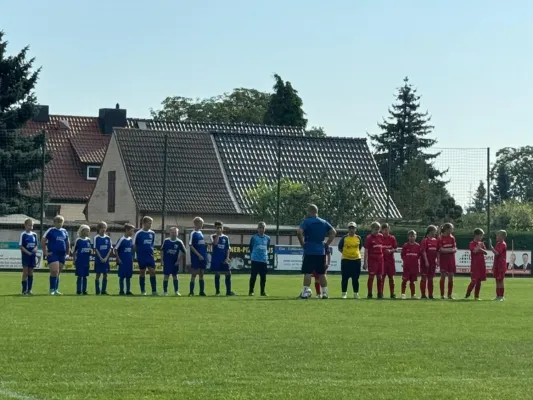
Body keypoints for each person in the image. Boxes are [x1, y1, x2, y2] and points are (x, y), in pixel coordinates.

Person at [297, 204, 336, 299]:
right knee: (322, 273)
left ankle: (305, 292)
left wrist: (302, 244)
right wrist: (327, 243)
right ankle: (325, 293)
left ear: (310, 211)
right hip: (320, 251)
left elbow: (299, 232)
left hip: (309, 250)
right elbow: (333, 232)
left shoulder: (307, 222)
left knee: (307, 272)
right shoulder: (324, 222)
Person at [42, 215, 70, 296]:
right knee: (54, 271)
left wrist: (68, 253)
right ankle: (51, 290)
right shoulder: (50, 230)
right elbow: (43, 240)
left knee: (58, 273)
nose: (59, 224)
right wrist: (45, 252)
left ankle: (56, 289)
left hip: (62, 255)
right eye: (57, 222)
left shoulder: (64, 231)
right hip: (53, 254)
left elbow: (67, 242)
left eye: (61, 222)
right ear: (54, 223)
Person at [338, 221, 362, 299]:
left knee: (356, 278)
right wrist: (347, 254)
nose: (351, 230)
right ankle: (344, 294)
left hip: (356, 260)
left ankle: (356, 294)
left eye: (353, 228)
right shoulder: (344, 238)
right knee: (345, 278)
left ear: (355, 229)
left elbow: (360, 247)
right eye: (350, 228)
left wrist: (354, 254)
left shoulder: (358, 238)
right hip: (346, 260)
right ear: (348, 229)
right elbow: (340, 248)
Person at [134, 216, 157, 296]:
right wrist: (136, 255)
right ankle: (143, 291)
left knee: (153, 272)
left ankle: (154, 291)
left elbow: (152, 244)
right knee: (142, 272)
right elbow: (134, 245)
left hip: (150, 256)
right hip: (141, 256)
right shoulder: (139, 233)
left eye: (151, 223)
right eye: (149, 223)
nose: (150, 225)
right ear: (144, 223)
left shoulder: (152, 233)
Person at [211, 221, 235, 296]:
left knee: (228, 273)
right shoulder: (212, 236)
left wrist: (227, 258)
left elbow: (228, 248)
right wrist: (217, 235)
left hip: (224, 259)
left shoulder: (226, 237)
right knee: (217, 274)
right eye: (217, 228)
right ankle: (217, 292)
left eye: (220, 227)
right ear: (215, 228)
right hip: (216, 259)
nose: (219, 229)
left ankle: (228, 291)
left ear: (222, 228)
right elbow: (215, 244)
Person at [162, 227, 186, 296]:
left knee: (175, 276)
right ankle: (165, 292)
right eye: (172, 232)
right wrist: (162, 261)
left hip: (175, 263)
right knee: (166, 276)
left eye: (175, 232)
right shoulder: (166, 241)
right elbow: (162, 251)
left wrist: (178, 261)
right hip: (167, 262)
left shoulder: (179, 242)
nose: (174, 233)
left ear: (177, 233)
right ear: (169, 233)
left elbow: (184, 252)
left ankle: (176, 291)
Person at [248, 222, 270, 296]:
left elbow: (267, 247)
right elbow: (251, 247)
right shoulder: (254, 237)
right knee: (253, 276)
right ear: (257, 229)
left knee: (263, 277)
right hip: (255, 260)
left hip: (263, 260)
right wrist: (253, 255)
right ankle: (251, 291)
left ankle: (262, 292)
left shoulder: (268, 238)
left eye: (263, 228)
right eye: (260, 228)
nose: (261, 229)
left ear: (265, 229)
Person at [465, 228, 487, 300]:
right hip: (475, 264)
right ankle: (467, 295)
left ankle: (476, 296)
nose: (481, 237)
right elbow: (474, 251)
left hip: (481, 264)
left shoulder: (481, 243)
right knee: (474, 280)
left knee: (479, 281)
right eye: (481, 235)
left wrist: (480, 248)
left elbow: (485, 252)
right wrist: (479, 248)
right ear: (476, 235)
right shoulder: (471, 243)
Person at [363, 221, 384, 299]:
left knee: (380, 277)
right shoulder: (369, 238)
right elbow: (366, 251)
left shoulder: (381, 236)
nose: (377, 231)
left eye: (378, 229)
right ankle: (370, 293)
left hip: (380, 259)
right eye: (375, 229)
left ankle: (380, 293)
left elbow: (382, 248)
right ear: (371, 229)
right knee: (371, 276)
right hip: (372, 259)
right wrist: (365, 262)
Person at [189, 217, 207, 296]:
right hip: (196, 256)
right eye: (201, 223)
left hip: (203, 256)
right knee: (194, 273)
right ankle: (191, 292)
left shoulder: (201, 233)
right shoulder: (193, 233)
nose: (202, 225)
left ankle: (201, 291)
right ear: (196, 224)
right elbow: (191, 246)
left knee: (202, 273)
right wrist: (198, 255)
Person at [19, 218, 38, 295]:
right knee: (25, 273)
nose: (30, 227)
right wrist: (28, 252)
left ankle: (29, 290)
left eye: (32, 225)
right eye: (29, 225)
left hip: (32, 257)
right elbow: (21, 246)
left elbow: (36, 245)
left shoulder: (34, 234)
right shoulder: (23, 234)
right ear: (25, 225)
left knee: (31, 273)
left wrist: (34, 250)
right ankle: (24, 290)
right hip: (26, 256)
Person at [438, 223, 457, 299]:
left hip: (451, 260)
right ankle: (442, 295)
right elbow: (441, 250)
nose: (452, 230)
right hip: (443, 260)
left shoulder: (452, 238)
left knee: (451, 277)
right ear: (447, 229)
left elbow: (455, 249)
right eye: (451, 229)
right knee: (443, 276)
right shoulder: (440, 238)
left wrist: (446, 250)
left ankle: (449, 295)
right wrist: (450, 250)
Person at [400, 230, 421, 299]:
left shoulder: (418, 246)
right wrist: (406, 261)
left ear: (416, 236)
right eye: (410, 236)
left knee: (412, 281)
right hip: (407, 267)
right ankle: (403, 294)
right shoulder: (405, 245)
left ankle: (413, 295)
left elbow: (419, 255)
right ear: (408, 237)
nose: (412, 237)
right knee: (404, 280)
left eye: (413, 236)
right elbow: (402, 255)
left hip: (414, 267)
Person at [115, 224, 135, 296]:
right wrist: (118, 259)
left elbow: (132, 249)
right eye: (131, 231)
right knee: (122, 276)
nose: (132, 232)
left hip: (129, 261)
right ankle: (121, 291)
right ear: (127, 230)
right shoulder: (121, 239)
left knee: (128, 277)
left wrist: (132, 258)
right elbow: (115, 249)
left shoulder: (130, 240)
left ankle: (128, 291)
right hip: (122, 261)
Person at [94, 221, 112, 295]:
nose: (104, 229)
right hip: (99, 259)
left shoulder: (108, 238)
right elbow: (95, 249)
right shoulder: (96, 238)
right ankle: (97, 291)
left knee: (105, 274)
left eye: (105, 227)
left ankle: (103, 290)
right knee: (98, 274)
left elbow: (110, 249)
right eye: (102, 228)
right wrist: (101, 258)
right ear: (99, 228)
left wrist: (106, 258)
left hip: (106, 259)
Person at [420, 225, 438, 299]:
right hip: (425, 263)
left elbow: (436, 251)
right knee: (424, 278)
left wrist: (437, 260)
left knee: (431, 278)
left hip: (433, 262)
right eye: (435, 231)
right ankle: (423, 295)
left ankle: (431, 295)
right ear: (431, 231)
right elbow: (423, 251)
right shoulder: (425, 240)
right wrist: (426, 261)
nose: (435, 233)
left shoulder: (435, 240)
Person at [73, 225, 92, 295]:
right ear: (82, 231)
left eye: (88, 231)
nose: (88, 232)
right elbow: (74, 251)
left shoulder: (88, 240)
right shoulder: (78, 240)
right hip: (80, 261)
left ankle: (84, 290)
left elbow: (90, 249)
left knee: (85, 276)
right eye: (87, 230)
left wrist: (90, 252)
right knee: (79, 276)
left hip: (86, 261)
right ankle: (78, 290)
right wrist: (74, 260)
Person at [381, 223, 398, 299]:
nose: (386, 230)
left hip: (390, 261)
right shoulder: (379, 237)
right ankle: (380, 293)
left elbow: (395, 248)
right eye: (384, 229)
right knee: (382, 278)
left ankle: (392, 293)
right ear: (382, 230)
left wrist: (390, 251)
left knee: (391, 278)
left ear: (389, 229)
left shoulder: (392, 238)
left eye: (387, 229)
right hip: (382, 261)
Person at [489, 230, 507, 301]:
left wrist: (491, 247)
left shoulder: (503, 244)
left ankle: (501, 296)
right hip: (497, 265)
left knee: (500, 280)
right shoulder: (498, 244)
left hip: (501, 265)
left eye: (498, 235)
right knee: (497, 280)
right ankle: (497, 295)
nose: (496, 236)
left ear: (502, 236)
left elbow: (497, 253)